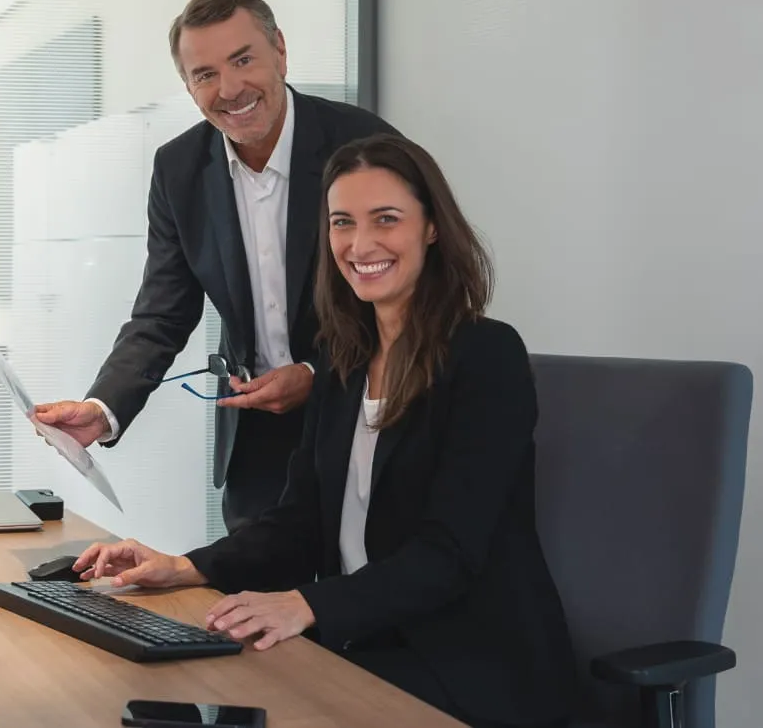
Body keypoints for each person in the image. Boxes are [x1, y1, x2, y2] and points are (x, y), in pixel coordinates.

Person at [71, 134, 578, 728]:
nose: (360, 244)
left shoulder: (487, 355)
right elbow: (300, 522)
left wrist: (307, 603)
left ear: (431, 227)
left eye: (385, 219)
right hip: (364, 640)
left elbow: (449, 555)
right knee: (185, 687)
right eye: (342, 223)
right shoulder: (344, 362)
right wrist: (183, 566)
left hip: (468, 660)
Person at [33, 0, 400, 532]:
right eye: (205, 75)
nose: (229, 89)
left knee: (359, 603)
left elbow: (409, 300)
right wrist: (102, 410)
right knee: (249, 605)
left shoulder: (363, 145)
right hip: (257, 443)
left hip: (367, 416)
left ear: (280, 49)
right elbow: (163, 312)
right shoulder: (179, 170)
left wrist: (314, 375)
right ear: (187, 85)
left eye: (243, 59)